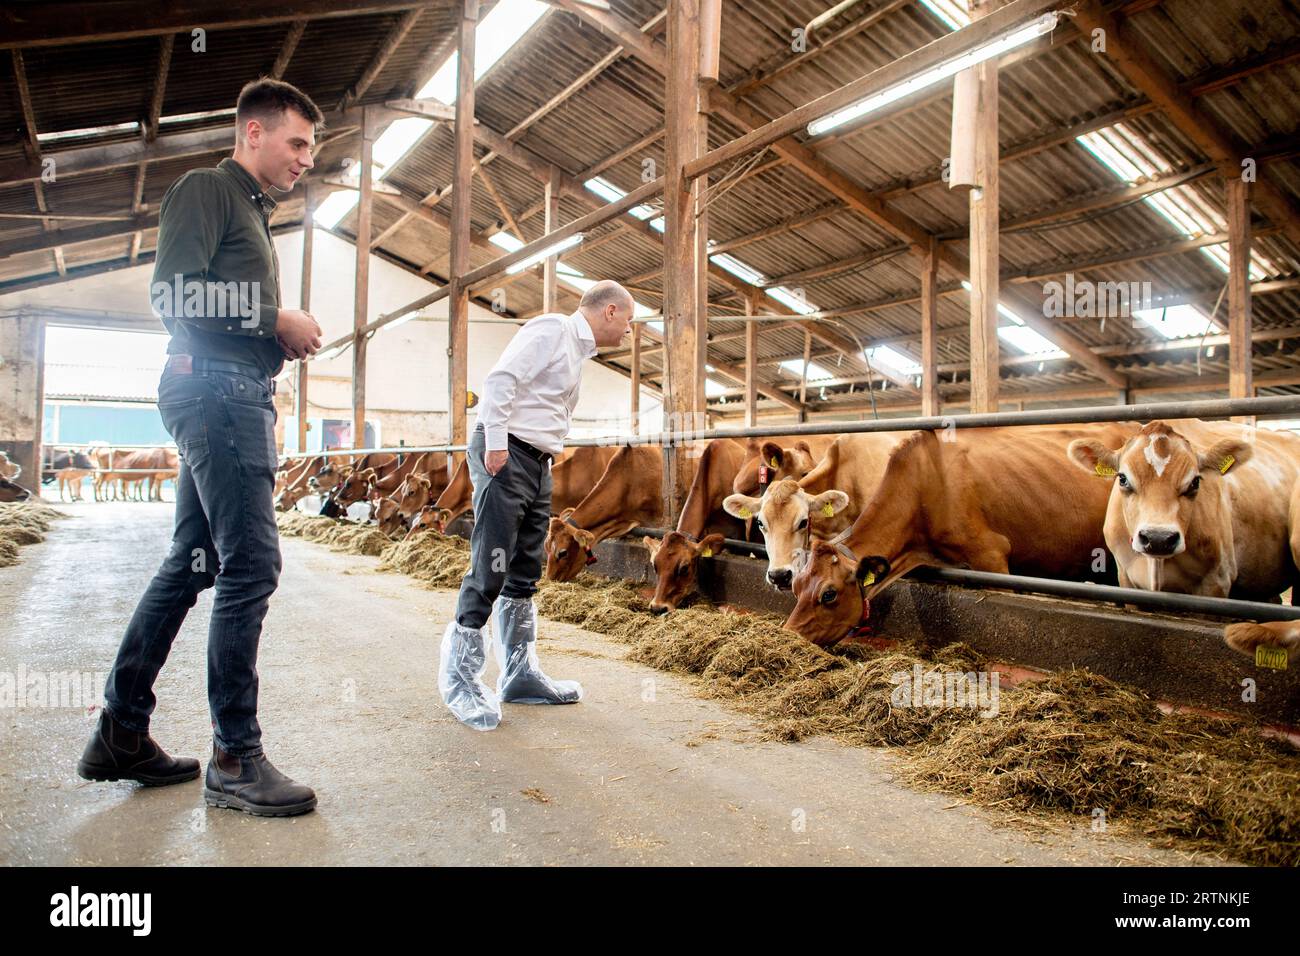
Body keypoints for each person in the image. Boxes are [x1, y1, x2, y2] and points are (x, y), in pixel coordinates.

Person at [78, 78, 325, 817]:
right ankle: (235, 757)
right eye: (298, 142)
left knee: (198, 561)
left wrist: (271, 336)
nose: (306, 159)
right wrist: (274, 317)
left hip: (227, 388)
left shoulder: (250, 211)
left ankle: (121, 731)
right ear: (253, 132)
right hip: (214, 391)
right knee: (251, 564)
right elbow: (175, 296)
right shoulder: (206, 190)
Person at [439, 281, 635, 730]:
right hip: (506, 453)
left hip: (536, 460)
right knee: (492, 563)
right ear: (609, 311)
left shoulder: (577, 353)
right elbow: (501, 380)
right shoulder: (553, 330)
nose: (628, 330)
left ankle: (520, 674)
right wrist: (493, 442)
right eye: (627, 320)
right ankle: (461, 680)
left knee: (526, 566)